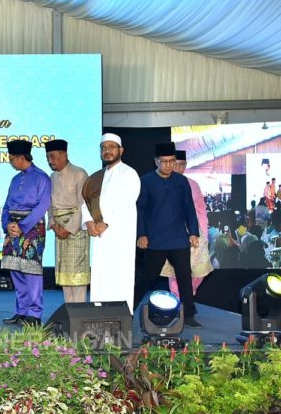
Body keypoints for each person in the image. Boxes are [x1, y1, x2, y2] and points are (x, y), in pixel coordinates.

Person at [134, 142, 201, 328]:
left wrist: (193, 232)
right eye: (164, 161)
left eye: (172, 161)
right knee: (147, 277)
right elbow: (140, 210)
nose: (168, 165)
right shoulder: (146, 181)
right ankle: (129, 310)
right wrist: (142, 234)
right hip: (155, 239)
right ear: (156, 161)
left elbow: (189, 208)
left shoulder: (181, 181)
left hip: (179, 238)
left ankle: (189, 315)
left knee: (185, 277)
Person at [81, 133, 140, 313]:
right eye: (104, 148)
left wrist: (105, 223)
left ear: (121, 150)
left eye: (112, 147)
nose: (107, 151)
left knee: (119, 277)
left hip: (119, 236)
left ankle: (121, 318)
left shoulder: (129, 174)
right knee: (100, 277)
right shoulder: (95, 178)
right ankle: (99, 316)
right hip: (99, 238)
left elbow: (126, 202)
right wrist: (89, 222)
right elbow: (85, 202)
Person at [1, 139, 51, 325]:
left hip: (32, 228)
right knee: (15, 269)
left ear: (21, 157)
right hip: (13, 228)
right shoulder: (15, 179)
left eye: (11, 159)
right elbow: (6, 206)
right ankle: (21, 310)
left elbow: (43, 205)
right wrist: (7, 224)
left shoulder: (41, 178)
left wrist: (22, 226)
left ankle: (34, 314)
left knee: (31, 271)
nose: (10, 162)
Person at [161, 150, 213, 297]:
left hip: (194, 233)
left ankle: (189, 293)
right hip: (172, 234)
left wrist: (204, 234)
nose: (178, 168)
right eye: (176, 164)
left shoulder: (193, 184)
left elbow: (201, 210)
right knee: (174, 271)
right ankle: (179, 299)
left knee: (200, 271)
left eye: (182, 164)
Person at [45, 139, 89, 303]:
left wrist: (68, 229)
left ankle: (79, 311)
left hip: (75, 229)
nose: (50, 161)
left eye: (53, 157)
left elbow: (84, 205)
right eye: (48, 157)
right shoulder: (52, 177)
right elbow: (49, 204)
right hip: (58, 229)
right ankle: (69, 310)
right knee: (64, 275)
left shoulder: (79, 174)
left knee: (77, 274)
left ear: (64, 155)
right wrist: (53, 224)